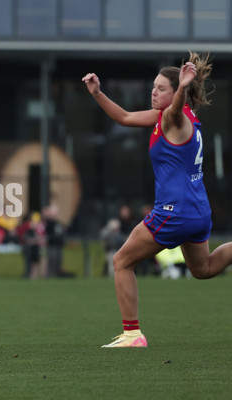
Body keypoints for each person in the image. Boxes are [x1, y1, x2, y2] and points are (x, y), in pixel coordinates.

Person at [82, 51, 232, 348]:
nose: (153, 91)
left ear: (178, 93)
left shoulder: (175, 117)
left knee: (121, 261)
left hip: (173, 212)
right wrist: (98, 93)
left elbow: (175, 109)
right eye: (154, 86)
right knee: (203, 270)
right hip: (197, 211)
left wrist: (184, 86)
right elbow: (123, 117)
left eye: (161, 88)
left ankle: (132, 334)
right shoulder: (172, 117)